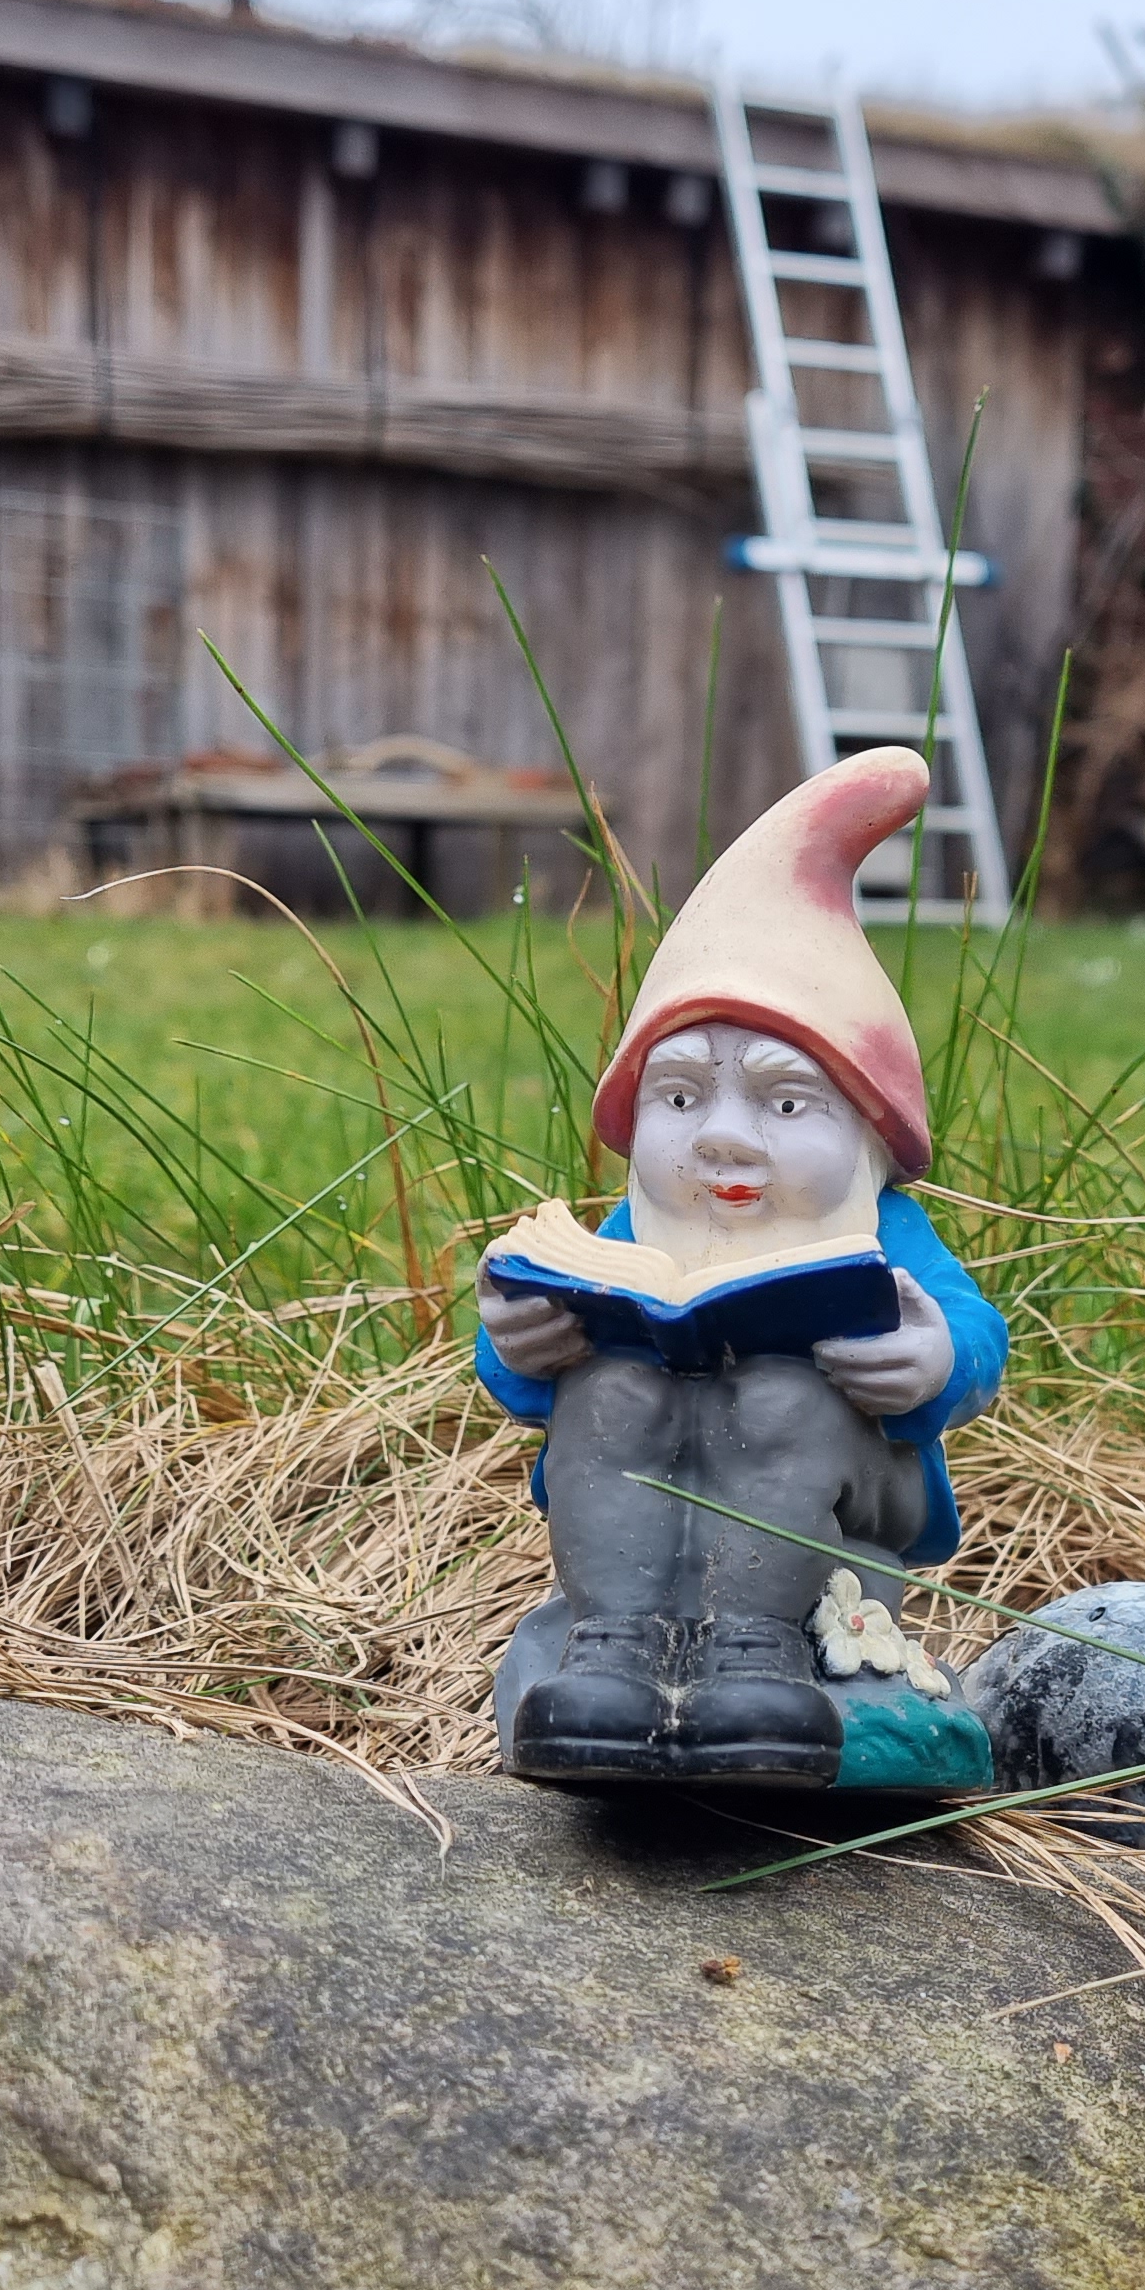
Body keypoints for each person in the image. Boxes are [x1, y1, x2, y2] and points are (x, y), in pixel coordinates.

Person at [474, 749, 1007, 1784]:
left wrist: (936, 1358)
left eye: (785, 1101)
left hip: (841, 1506)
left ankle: (761, 1659)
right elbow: (531, 1372)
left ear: (870, 1132)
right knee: (614, 1393)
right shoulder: (633, 1232)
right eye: (680, 1097)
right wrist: (519, 1343)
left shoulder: (887, 1231)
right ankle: (612, 1648)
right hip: (638, 1527)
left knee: (779, 1399)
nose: (722, 1137)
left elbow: (976, 1332)